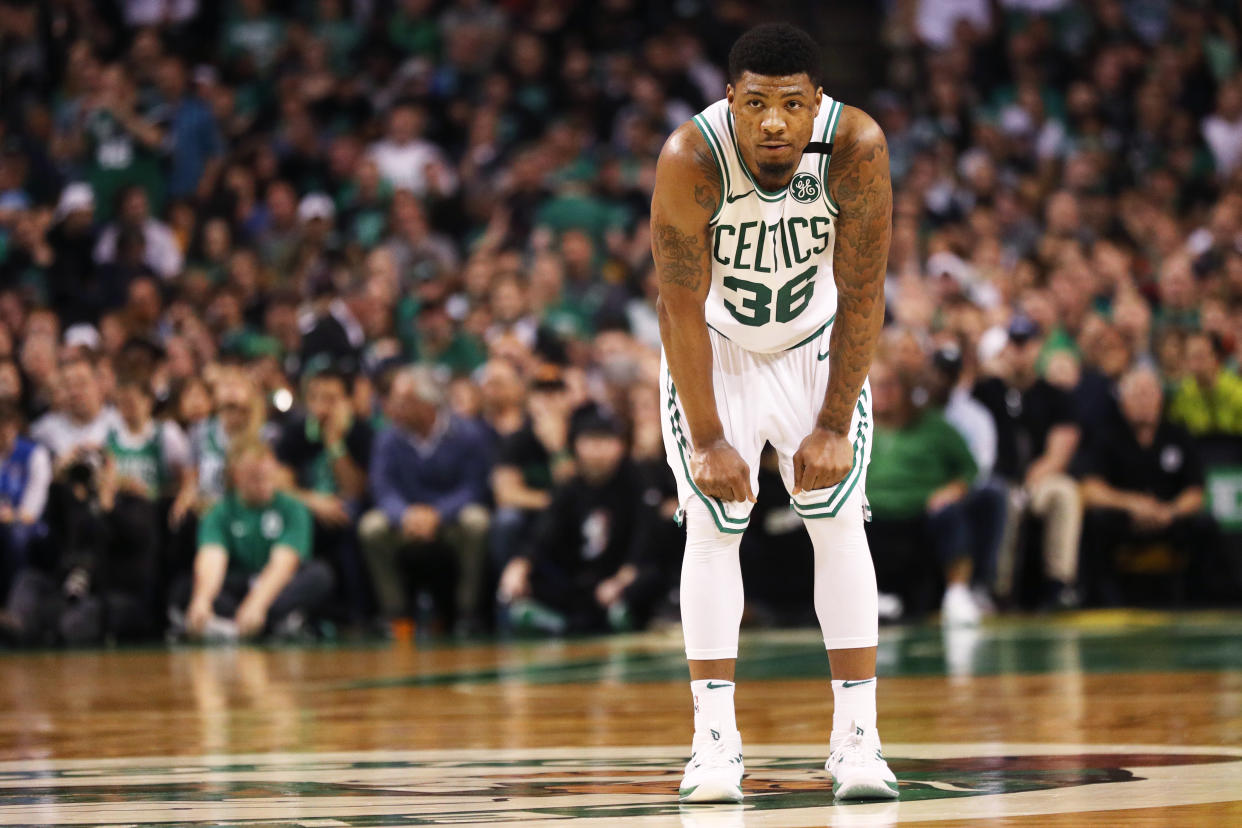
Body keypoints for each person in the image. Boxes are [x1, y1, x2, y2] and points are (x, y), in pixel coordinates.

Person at [650, 24, 896, 802]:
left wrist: (832, 421)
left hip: (814, 344)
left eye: (792, 103)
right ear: (731, 99)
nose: (774, 122)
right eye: (756, 103)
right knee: (712, 525)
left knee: (837, 519)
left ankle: (858, 738)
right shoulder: (690, 159)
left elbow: (864, 293)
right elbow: (679, 306)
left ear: (816, 102)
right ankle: (713, 744)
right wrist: (710, 436)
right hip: (714, 349)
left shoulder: (856, 146)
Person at [495, 413, 671, 634]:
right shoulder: (570, 487)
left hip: (624, 573)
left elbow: (645, 538)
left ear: (619, 446)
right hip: (584, 579)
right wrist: (520, 564)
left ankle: (608, 615)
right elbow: (546, 531)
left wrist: (621, 580)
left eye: (605, 441)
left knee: (651, 575)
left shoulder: (637, 480)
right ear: (577, 446)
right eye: (591, 442)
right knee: (537, 578)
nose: (597, 451)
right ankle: (570, 622)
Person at [360, 365, 492, 634]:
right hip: (406, 521)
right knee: (371, 527)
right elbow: (382, 489)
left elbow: (474, 487)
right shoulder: (387, 438)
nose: (393, 408)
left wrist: (438, 514)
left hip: (450, 521)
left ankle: (467, 613)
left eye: (402, 402)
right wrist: (405, 515)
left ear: (427, 404)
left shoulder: (468, 434)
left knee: (477, 522)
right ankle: (396, 616)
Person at [973, 314, 1083, 608]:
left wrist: (1035, 477)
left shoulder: (1054, 395)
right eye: (1014, 343)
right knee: (1002, 498)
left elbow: (1059, 451)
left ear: (1038, 348)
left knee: (1064, 492)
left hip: (1038, 480)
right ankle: (998, 589)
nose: (1020, 350)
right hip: (998, 479)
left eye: (1026, 343)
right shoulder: (988, 391)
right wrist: (986, 371)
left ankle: (1060, 584)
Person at [1078, 367, 1214, 605]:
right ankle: (1104, 602)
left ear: (1160, 399)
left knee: (1204, 524)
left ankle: (1200, 602)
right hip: (1124, 520)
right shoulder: (1106, 435)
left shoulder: (1178, 435)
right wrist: (1132, 504)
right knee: (1096, 521)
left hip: (1168, 518)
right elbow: (1090, 489)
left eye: (1148, 394)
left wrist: (1169, 512)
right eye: (1136, 395)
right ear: (1123, 402)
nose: (1143, 401)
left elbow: (1196, 492)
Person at [175, 438, 334, 641]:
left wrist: (257, 603)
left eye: (268, 477)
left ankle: (244, 623)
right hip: (240, 581)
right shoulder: (220, 512)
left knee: (320, 575)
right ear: (237, 477)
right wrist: (202, 600)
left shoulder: (292, 508)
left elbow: (284, 563)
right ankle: (273, 625)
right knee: (186, 587)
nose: (263, 484)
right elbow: (212, 559)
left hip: (275, 584)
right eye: (255, 478)